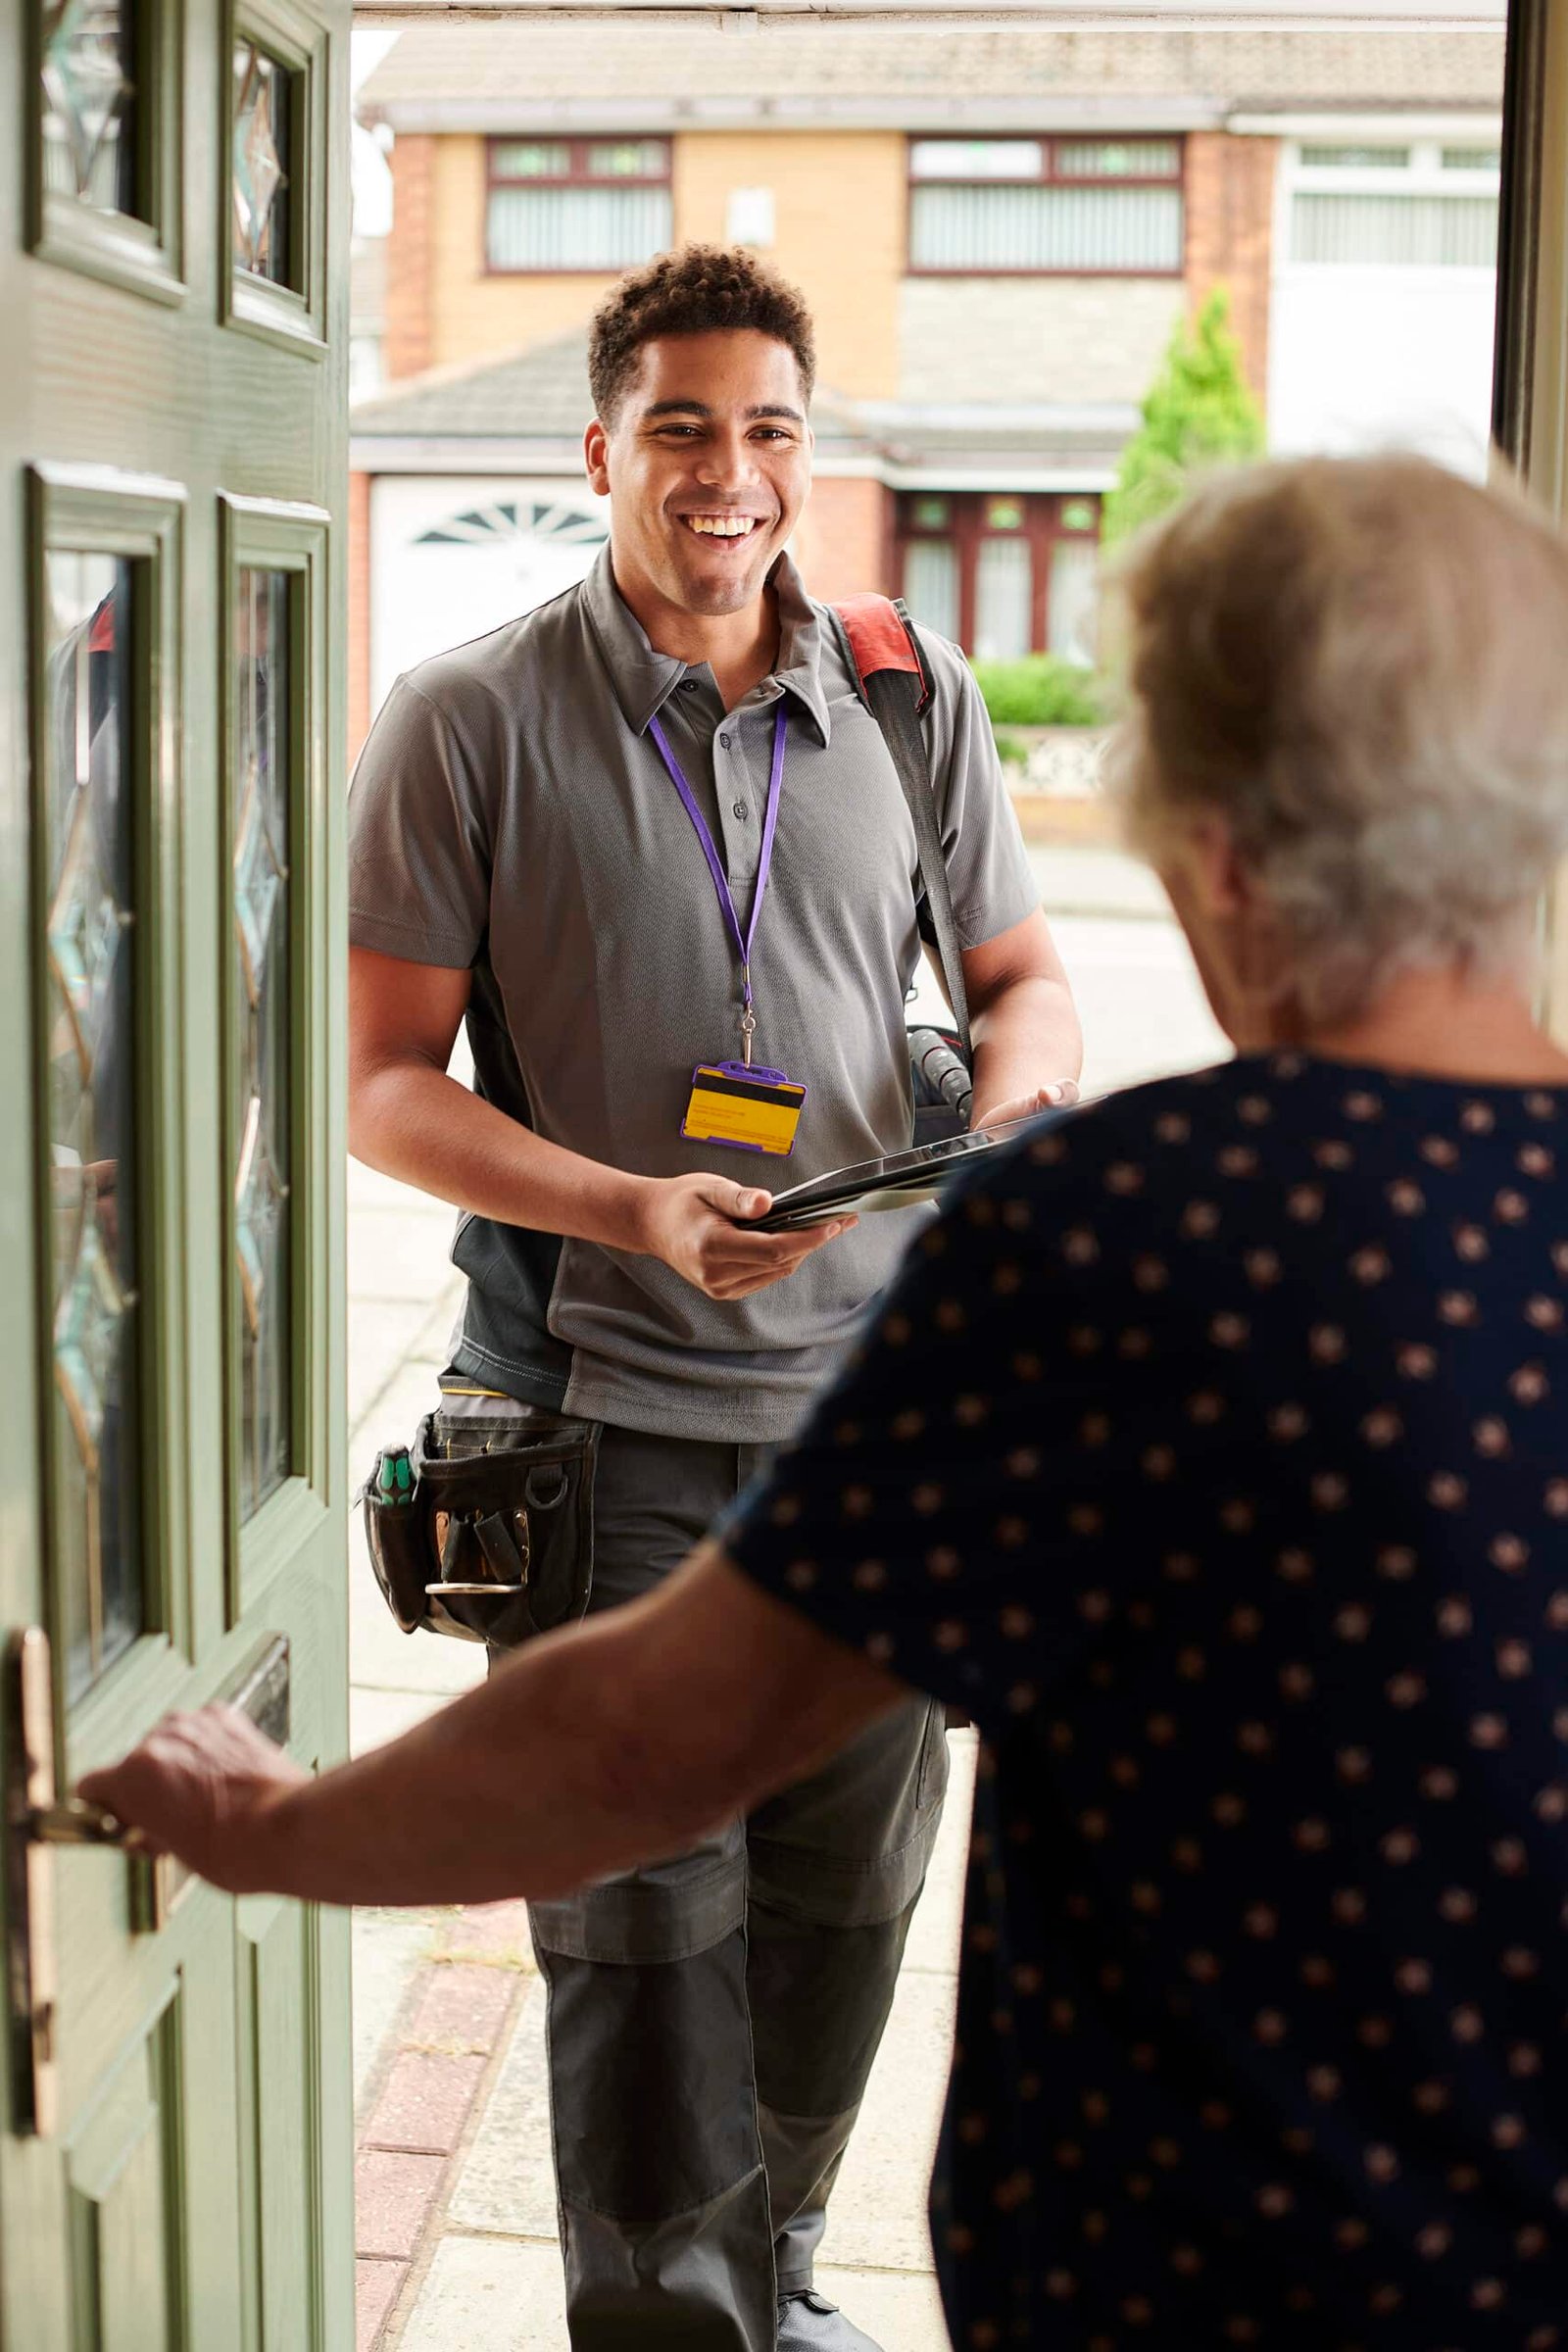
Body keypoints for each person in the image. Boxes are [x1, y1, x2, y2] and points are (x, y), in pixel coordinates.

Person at [88, 450, 1568, 2347]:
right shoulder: (479, 712)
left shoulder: (1122, 1238)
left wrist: (276, 1824)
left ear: (1209, 840)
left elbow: (650, 1739)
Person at [332, 243, 1079, 2352]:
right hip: (603, 1436)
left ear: (801, 457)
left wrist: (997, 1134)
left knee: (845, 1907)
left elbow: (1020, 985)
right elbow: (381, 1086)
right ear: (599, 451)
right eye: (677, 427)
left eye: (763, 429)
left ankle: (760, 2285)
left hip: (868, 1433)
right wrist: (631, 1209)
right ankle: (669, 2329)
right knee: (645, 1940)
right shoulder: (467, 716)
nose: (724, 472)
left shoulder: (903, 695)